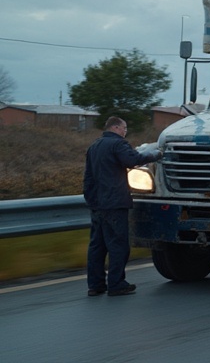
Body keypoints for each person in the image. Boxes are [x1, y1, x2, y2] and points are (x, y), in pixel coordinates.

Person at [83, 116, 161, 297]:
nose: (125, 132)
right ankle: (117, 284)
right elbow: (133, 160)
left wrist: (91, 200)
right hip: (114, 203)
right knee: (118, 245)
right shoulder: (118, 145)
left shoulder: (94, 146)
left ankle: (95, 285)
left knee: (97, 246)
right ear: (116, 127)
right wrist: (156, 155)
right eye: (124, 128)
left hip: (97, 204)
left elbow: (88, 177)